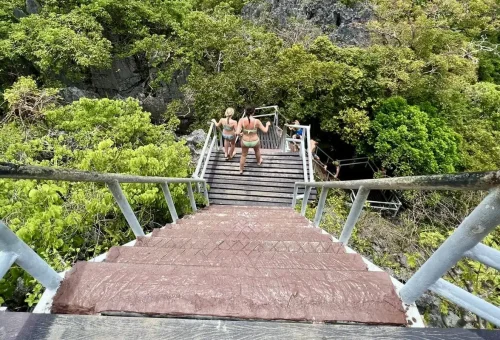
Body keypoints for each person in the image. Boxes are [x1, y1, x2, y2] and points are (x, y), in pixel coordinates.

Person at [236, 106, 271, 174]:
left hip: (245, 141)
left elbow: (237, 132)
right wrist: (267, 125)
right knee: (257, 150)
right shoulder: (257, 121)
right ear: (253, 112)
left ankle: (241, 170)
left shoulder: (241, 120)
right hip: (255, 141)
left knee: (243, 155)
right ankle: (258, 162)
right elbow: (265, 131)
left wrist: (239, 134)